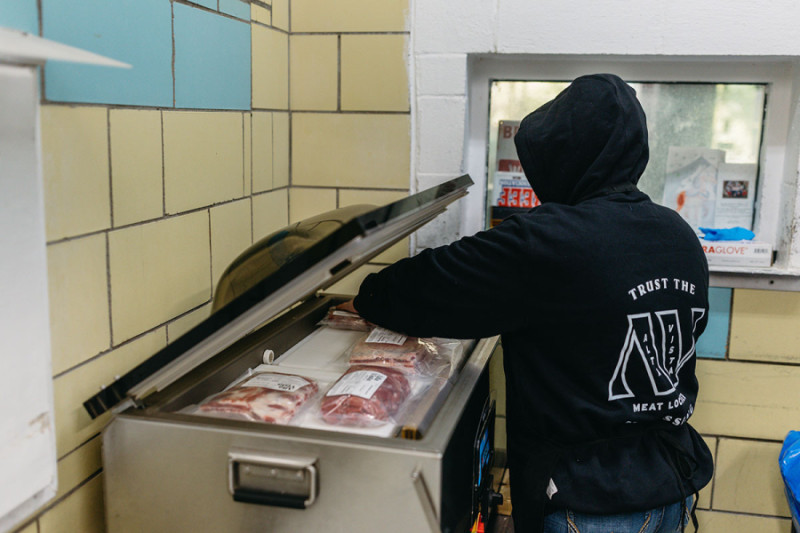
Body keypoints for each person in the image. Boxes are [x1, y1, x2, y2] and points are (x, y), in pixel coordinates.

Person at [340, 74, 713, 532]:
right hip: (670, 486)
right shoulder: (677, 233)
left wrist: (368, 295)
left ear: (562, 159)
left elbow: (419, 288)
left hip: (588, 502)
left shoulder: (550, 239)